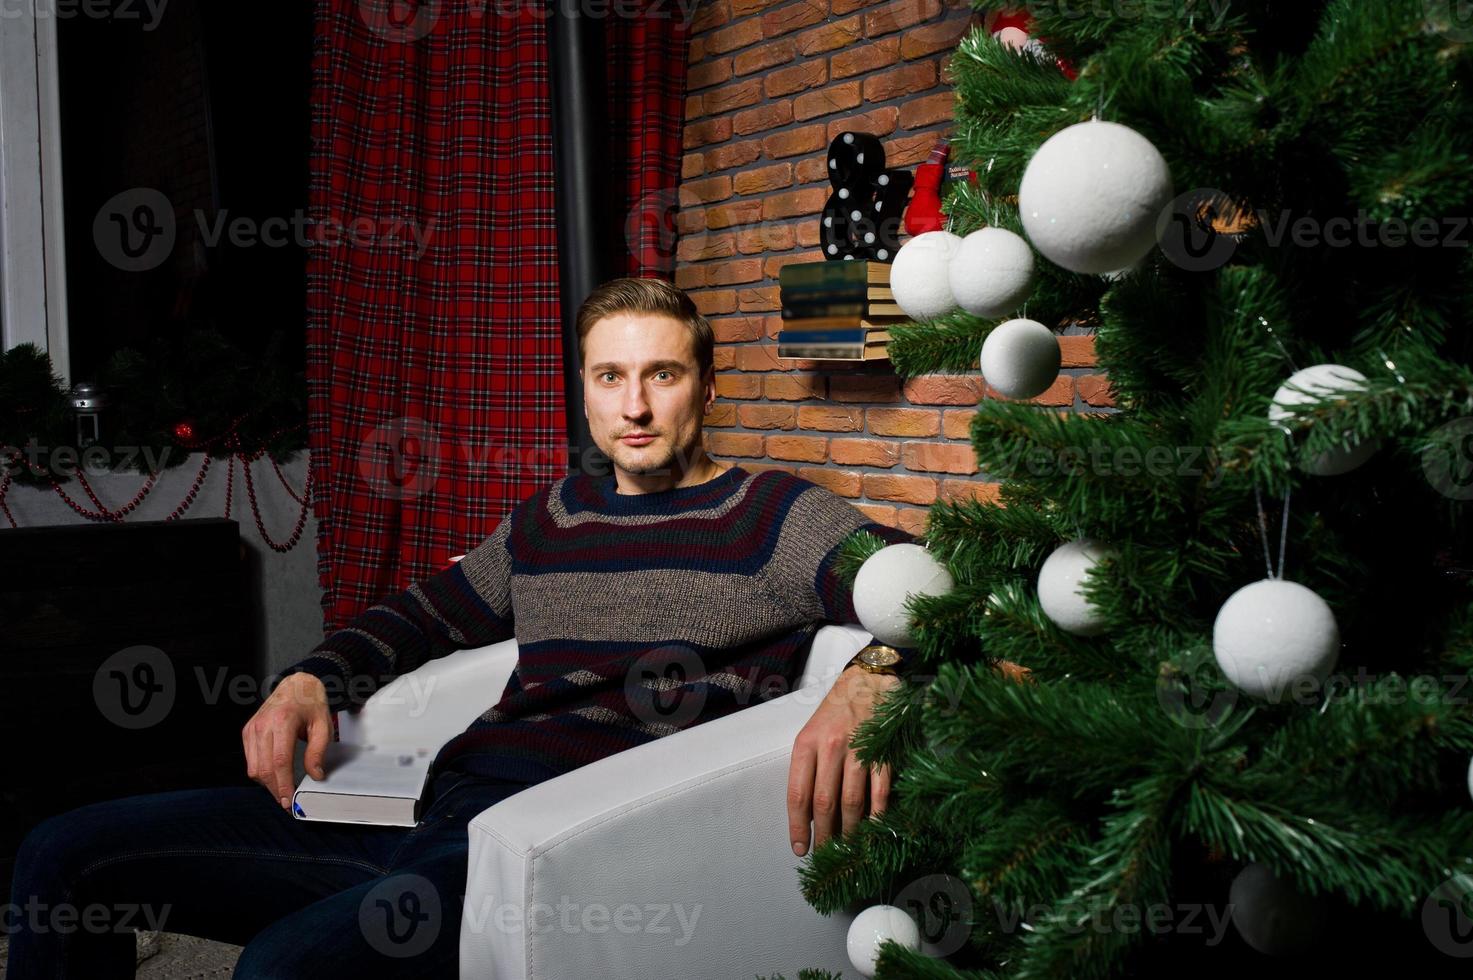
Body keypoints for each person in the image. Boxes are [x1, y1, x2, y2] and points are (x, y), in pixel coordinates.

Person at [5, 277, 915, 978]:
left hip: (551, 848)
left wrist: (871, 670)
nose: (634, 407)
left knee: (283, 964)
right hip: (428, 817)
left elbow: (938, 589)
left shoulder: (773, 515)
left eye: (662, 375)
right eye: (610, 377)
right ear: (586, 389)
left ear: (707, 388)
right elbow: (421, 616)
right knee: (64, 855)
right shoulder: (553, 516)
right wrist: (308, 678)